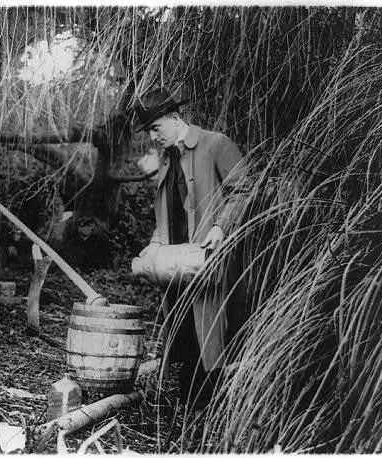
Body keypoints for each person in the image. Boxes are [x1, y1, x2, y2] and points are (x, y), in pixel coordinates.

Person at [132, 88, 246, 406]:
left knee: (211, 339)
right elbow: (165, 217)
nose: (153, 137)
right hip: (177, 267)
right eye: (149, 131)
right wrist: (153, 247)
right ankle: (189, 418)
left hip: (211, 265)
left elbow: (245, 191)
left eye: (156, 128)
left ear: (176, 118)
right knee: (183, 340)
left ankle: (215, 421)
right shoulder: (168, 162)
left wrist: (221, 226)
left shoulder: (216, 144)